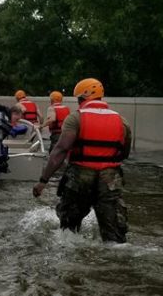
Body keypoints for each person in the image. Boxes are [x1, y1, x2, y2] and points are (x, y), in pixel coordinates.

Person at [33, 78, 133, 243]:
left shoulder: (76, 118)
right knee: (114, 234)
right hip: (110, 178)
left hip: (80, 176)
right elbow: (124, 153)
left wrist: (43, 181)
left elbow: (61, 150)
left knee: (69, 230)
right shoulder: (122, 121)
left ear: (82, 98)